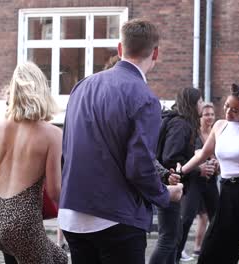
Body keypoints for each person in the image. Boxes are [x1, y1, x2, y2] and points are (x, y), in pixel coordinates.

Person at [59, 19, 183, 264]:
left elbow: (68, 149)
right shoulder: (145, 98)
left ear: (120, 48)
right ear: (155, 52)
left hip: (73, 214)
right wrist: (166, 195)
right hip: (116, 217)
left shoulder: (82, 87)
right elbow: (139, 167)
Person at [0, 62, 67, 263]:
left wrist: (1, 184)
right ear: (41, 91)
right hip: (23, 221)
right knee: (61, 260)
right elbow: (55, 191)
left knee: (55, 257)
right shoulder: (53, 134)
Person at [177, 82, 239, 263]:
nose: (228, 112)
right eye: (227, 106)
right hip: (228, 191)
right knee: (213, 247)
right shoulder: (220, 126)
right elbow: (202, 155)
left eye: (235, 110)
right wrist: (178, 172)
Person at [149, 87, 214, 264]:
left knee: (174, 235)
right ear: (192, 104)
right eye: (200, 101)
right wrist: (197, 168)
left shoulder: (180, 122)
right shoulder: (180, 124)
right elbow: (171, 158)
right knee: (168, 238)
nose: (202, 105)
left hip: (171, 185)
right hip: (169, 185)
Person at [177, 102, 220, 261]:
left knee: (216, 218)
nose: (210, 117)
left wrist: (217, 164)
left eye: (212, 114)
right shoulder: (193, 134)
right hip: (195, 181)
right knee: (187, 218)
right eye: (206, 114)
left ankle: (210, 251)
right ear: (199, 117)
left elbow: (220, 156)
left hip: (211, 181)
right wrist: (201, 166)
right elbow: (193, 155)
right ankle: (177, 252)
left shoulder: (217, 134)